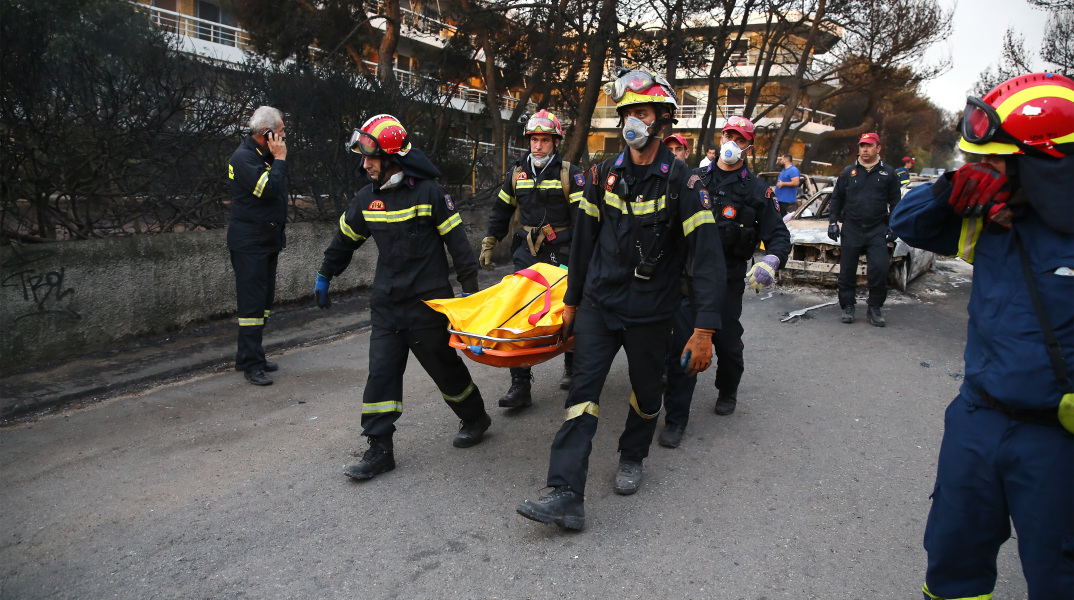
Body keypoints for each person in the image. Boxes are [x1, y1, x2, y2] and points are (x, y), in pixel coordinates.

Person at [515, 68, 726, 530]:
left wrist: (705, 329)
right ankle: (566, 492)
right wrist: (571, 301)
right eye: (627, 112)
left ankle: (633, 455)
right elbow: (583, 240)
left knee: (648, 393)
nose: (632, 120)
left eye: (642, 112)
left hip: (653, 312)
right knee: (583, 393)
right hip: (600, 304)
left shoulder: (684, 185)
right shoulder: (603, 175)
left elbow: (707, 261)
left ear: (662, 120)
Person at [889, 72, 1074, 600]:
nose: (979, 171)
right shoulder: (993, 217)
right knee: (953, 553)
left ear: (1040, 162)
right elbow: (909, 222)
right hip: (979, 418)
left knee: (1057, 572)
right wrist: (949, 192)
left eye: (991, 160)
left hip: (1057, 438)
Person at [315, 114, 492, 481]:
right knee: (381, 374)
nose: (365, 164)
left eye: (372, 157)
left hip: (427, 305)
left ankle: (475, 418)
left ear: (393, 157)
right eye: (364, 157)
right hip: (386, 305)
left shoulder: (429, 193)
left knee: (445, 371)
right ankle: (379, 449)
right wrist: (325, 274)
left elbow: (458, 245)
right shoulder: (367, 199)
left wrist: (470, 293)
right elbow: (344, 240)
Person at [657, 117, 791, 448]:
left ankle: (727, 388)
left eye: (739, 137)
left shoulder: (757, 190)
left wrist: (771, 261)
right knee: (682, 346)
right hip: (689, 275)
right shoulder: (694, 179)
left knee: (728, 343)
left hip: (728, 279)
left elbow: (777, 235)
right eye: (728, 134)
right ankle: (676, 419)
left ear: (749, 145)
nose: (732, 141)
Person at [478, 110, 585, 408]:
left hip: (562, 252)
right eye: (534, 140)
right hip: (526, 253)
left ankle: (572, 367)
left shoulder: (570, 174)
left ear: (555, 142)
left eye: (544, 140)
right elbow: (501, 210)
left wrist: (581, 257)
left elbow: (582, 219)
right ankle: (520, 385)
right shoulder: (517, 173)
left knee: (567, 309)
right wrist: (490, 241)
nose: (538, 146)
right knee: (518, 314)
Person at [228, 106, 289, 386]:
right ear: (268, 133)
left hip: (266, 242)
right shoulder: (243, 158)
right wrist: (280, 160)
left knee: (263, 304)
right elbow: (267, 189)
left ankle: (249, 355)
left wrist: (275, 160)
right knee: (252, 306)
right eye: (281, 132)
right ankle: (252, 365)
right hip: (250, 244)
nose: (284, 137)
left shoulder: (261, 157)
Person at [827, 132, 901, 327]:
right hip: (852, 227)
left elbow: (896, 202)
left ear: (878, 148)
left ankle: (874, 308)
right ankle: (848, 306)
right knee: (847, 270)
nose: (865, 149)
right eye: (862, 146)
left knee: (879, 268)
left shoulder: (889, 174)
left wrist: (894, 225)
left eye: (869, 145)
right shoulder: (848, 172)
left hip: (876, 228)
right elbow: (836, 199)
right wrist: (832, 222)